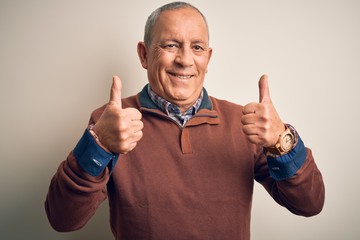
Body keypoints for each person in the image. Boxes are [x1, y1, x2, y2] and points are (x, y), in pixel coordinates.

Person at [45, 2, 325, 240]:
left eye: (198, 48)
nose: (185, 60)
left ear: (208, 57)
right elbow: (63, 219)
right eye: (171, 45)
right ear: (144, 54)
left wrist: (281, 141)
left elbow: (310, 204)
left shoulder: (244, 123)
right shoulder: (111, 124)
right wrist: (98, 146)